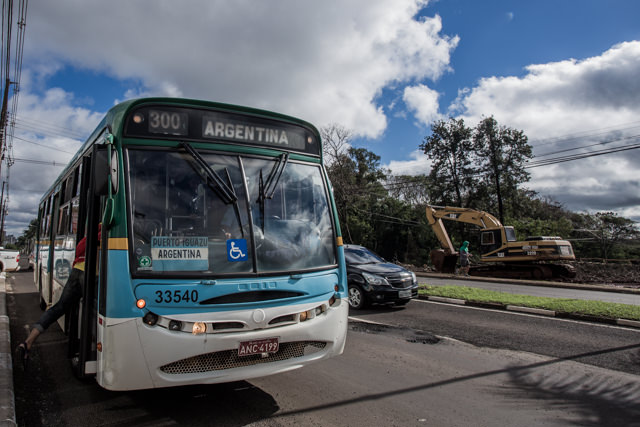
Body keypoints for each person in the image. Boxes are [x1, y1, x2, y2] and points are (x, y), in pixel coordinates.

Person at [15, 226, 98, 368]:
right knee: (96, 311)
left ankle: (28, 342)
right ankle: (93, 349)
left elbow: (79, 250)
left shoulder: (91, 232)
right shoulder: (107, 230)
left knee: (59, 307)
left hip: (76, 271)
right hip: (90, 273)